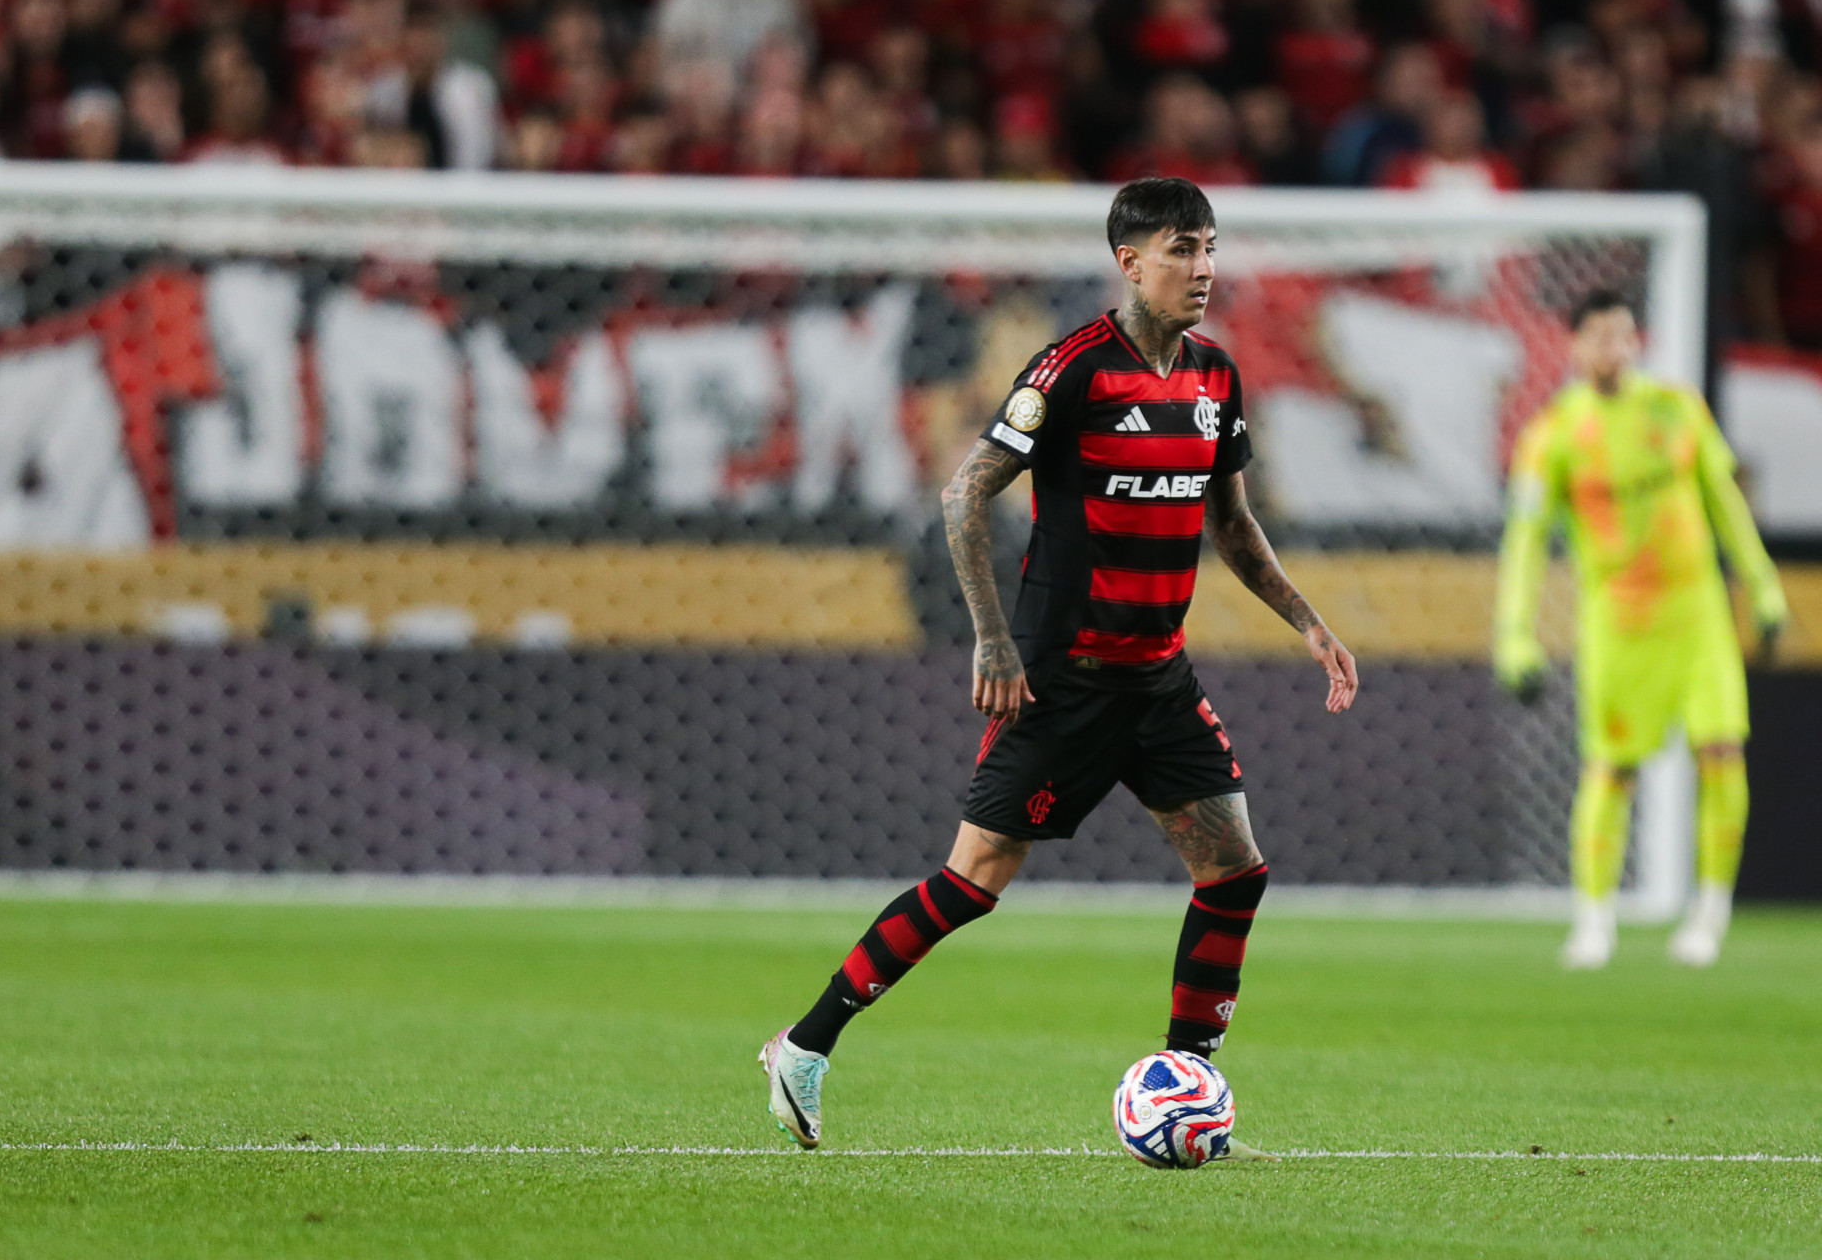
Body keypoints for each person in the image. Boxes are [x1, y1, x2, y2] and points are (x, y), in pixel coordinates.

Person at [760, 177, 1360, 1152]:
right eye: (1181, 249)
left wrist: (1308, 620)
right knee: (976, 878)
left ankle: (1188, 1084)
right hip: (1066, 672)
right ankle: (805, 1043)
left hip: (1159, 674)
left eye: (1209, 247)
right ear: (1129, 261)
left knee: (1232, 869)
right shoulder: (1072, 367)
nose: (1203, 268)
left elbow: (1234, 526)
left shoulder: (1215, 376)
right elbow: (964, 495)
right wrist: (993, 637)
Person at [1495, 290, 1787, 970]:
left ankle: (1709, 914)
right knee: (1611, 769)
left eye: (1624, 335)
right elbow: (1526, 544)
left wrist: (1765, 583)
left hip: (1698, 614)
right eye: (1598, 336)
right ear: (1573, 346)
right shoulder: (1554, 435)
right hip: (1619, 622)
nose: (1613, 348)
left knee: (1721, 753)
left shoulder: (1677, 408)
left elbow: (1726, 502)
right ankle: (1594, 922)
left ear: (1636, 341)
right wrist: (1515, 633)